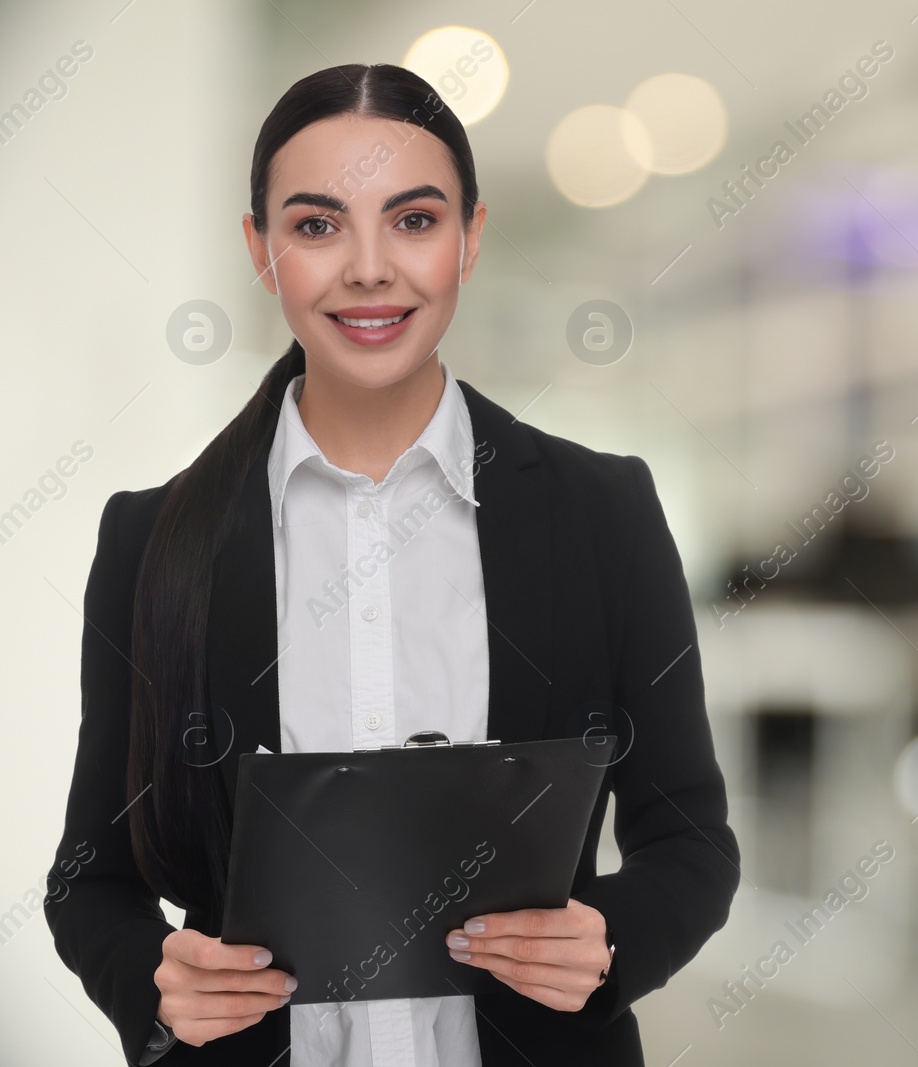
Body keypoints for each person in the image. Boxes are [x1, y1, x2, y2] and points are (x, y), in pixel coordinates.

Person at [42, 62, 739, 1067]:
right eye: (317, 226)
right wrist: (155, 974)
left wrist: (610, 938)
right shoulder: (154, 538)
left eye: (413, 220)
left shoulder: (603, 512)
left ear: (471, 237)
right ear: (261, 249)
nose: (369, 269)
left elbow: (692, 843)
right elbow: (87, 876)